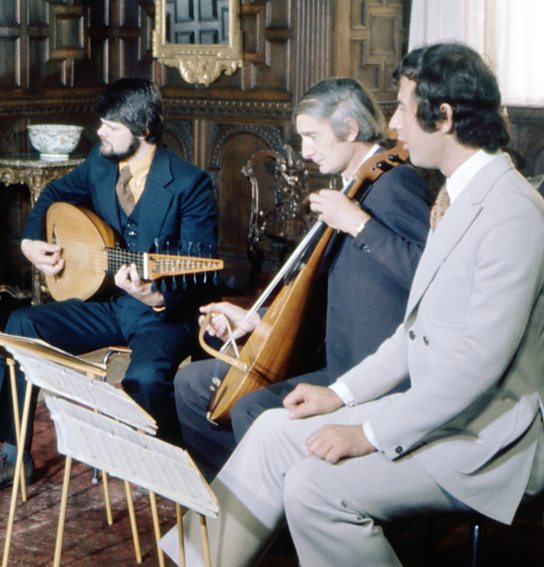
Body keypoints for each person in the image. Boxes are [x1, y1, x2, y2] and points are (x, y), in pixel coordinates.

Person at [165, 42, 544, 567]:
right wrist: (337, 395)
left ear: (446, 118)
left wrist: (365, 433)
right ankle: (200, 561)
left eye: (405, 110)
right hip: (435, 410)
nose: (393, 126)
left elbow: (476, 369)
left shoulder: (513, 212)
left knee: (314, 488)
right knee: (274, 429)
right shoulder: (458, 197)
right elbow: (413, 334)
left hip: (483, 436)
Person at [0, 77, 219, 497]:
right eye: (102, 123)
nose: (100, 132)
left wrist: (155, 295)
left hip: (160, 314)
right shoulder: (100, 163)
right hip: (107, 303)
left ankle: (167, 468)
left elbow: (200, 271)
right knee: (21, 324)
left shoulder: (190, 184)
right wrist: (30, 241)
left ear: (145, 130)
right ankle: (13, 455)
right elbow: (54, 194)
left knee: (148, 376)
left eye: (112, 126)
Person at [174, 77, 430, 479]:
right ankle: (236, 503)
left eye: (312, 136)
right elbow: (322, 294)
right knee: (191, 383)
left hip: (364, 369)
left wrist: (359, 225)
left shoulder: (394, 182)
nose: (305, 150)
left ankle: (266, 513)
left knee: (251, 407)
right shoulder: (353, 185)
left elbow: (427, 272)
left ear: (349, 129)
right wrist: (258, 324)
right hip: (320, 351)